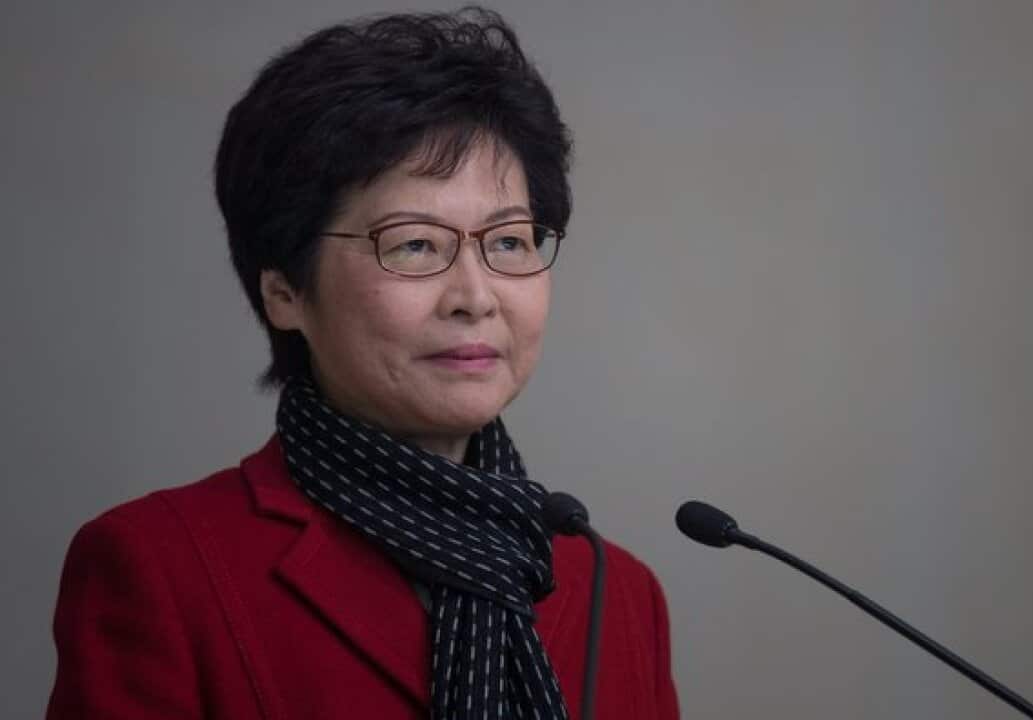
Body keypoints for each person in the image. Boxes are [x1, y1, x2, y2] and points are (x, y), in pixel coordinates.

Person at [47, 8, 679, 719]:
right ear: (285, 290)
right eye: (414, 244)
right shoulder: (160, 569)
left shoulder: (619, 595)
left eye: (508, 242)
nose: (475, 297)